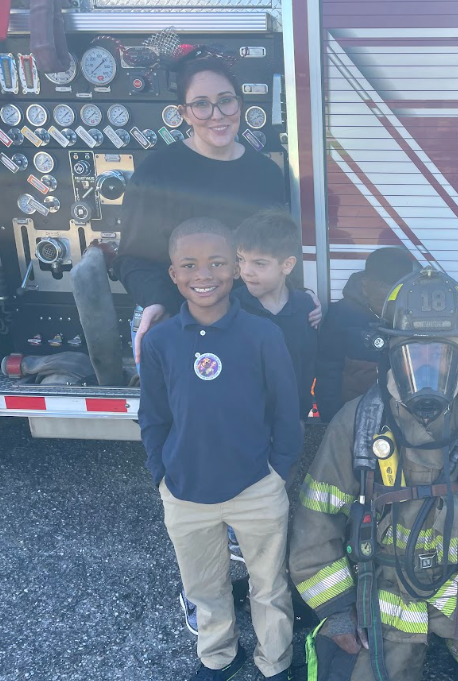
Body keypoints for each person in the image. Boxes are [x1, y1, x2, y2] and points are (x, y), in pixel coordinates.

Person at [290, 266, 458, 681]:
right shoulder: (357, 426)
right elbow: (316, 523)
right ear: (391, 354)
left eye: (440, 353)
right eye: (414, 353)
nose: (427, 367)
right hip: (380, 600)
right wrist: (336, 610)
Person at [112, 48, 318, 589]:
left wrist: (297, 295)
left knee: (262, 421)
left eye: (225, 100)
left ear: (241, 102)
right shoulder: (159, 170)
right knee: (198, 428)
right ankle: (205, 572)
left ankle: (262, 527)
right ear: (183, 112)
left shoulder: (264, 172)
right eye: (200, 105)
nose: (216, 114)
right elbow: (133, 256)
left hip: (253, 328)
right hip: (189, 326)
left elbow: (274, 247)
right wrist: (157, 301)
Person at [139, 217, 300, 681]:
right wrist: (161, 473)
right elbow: (153, 415)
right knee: (203, 585)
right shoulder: (162, 342)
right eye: (189, 265)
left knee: (269, 586)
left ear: (234, 269)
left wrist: (279, 470)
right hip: (185, 490)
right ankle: (218, 657)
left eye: (216, 263)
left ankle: (276, 662)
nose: (203, 274)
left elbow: (286, 411)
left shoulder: (262, 335)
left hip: (255, 486)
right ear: (173, 274)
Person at [314, 247, 415, 423]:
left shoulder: (419, 316)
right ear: (365, 285)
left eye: (393, 303)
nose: (386, 310)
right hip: (354, 417)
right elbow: (328, 371)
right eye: (381, 301)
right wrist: (332, 420)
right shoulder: (341, 314)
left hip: (407, 420)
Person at [235, 209, 317, 420]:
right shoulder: (231, 306)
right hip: (243, 419)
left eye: (259, 263)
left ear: (287, 265)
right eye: (241, 259)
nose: (246, 271)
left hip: (292, 416)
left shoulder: (306, 306)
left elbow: (308, 363)